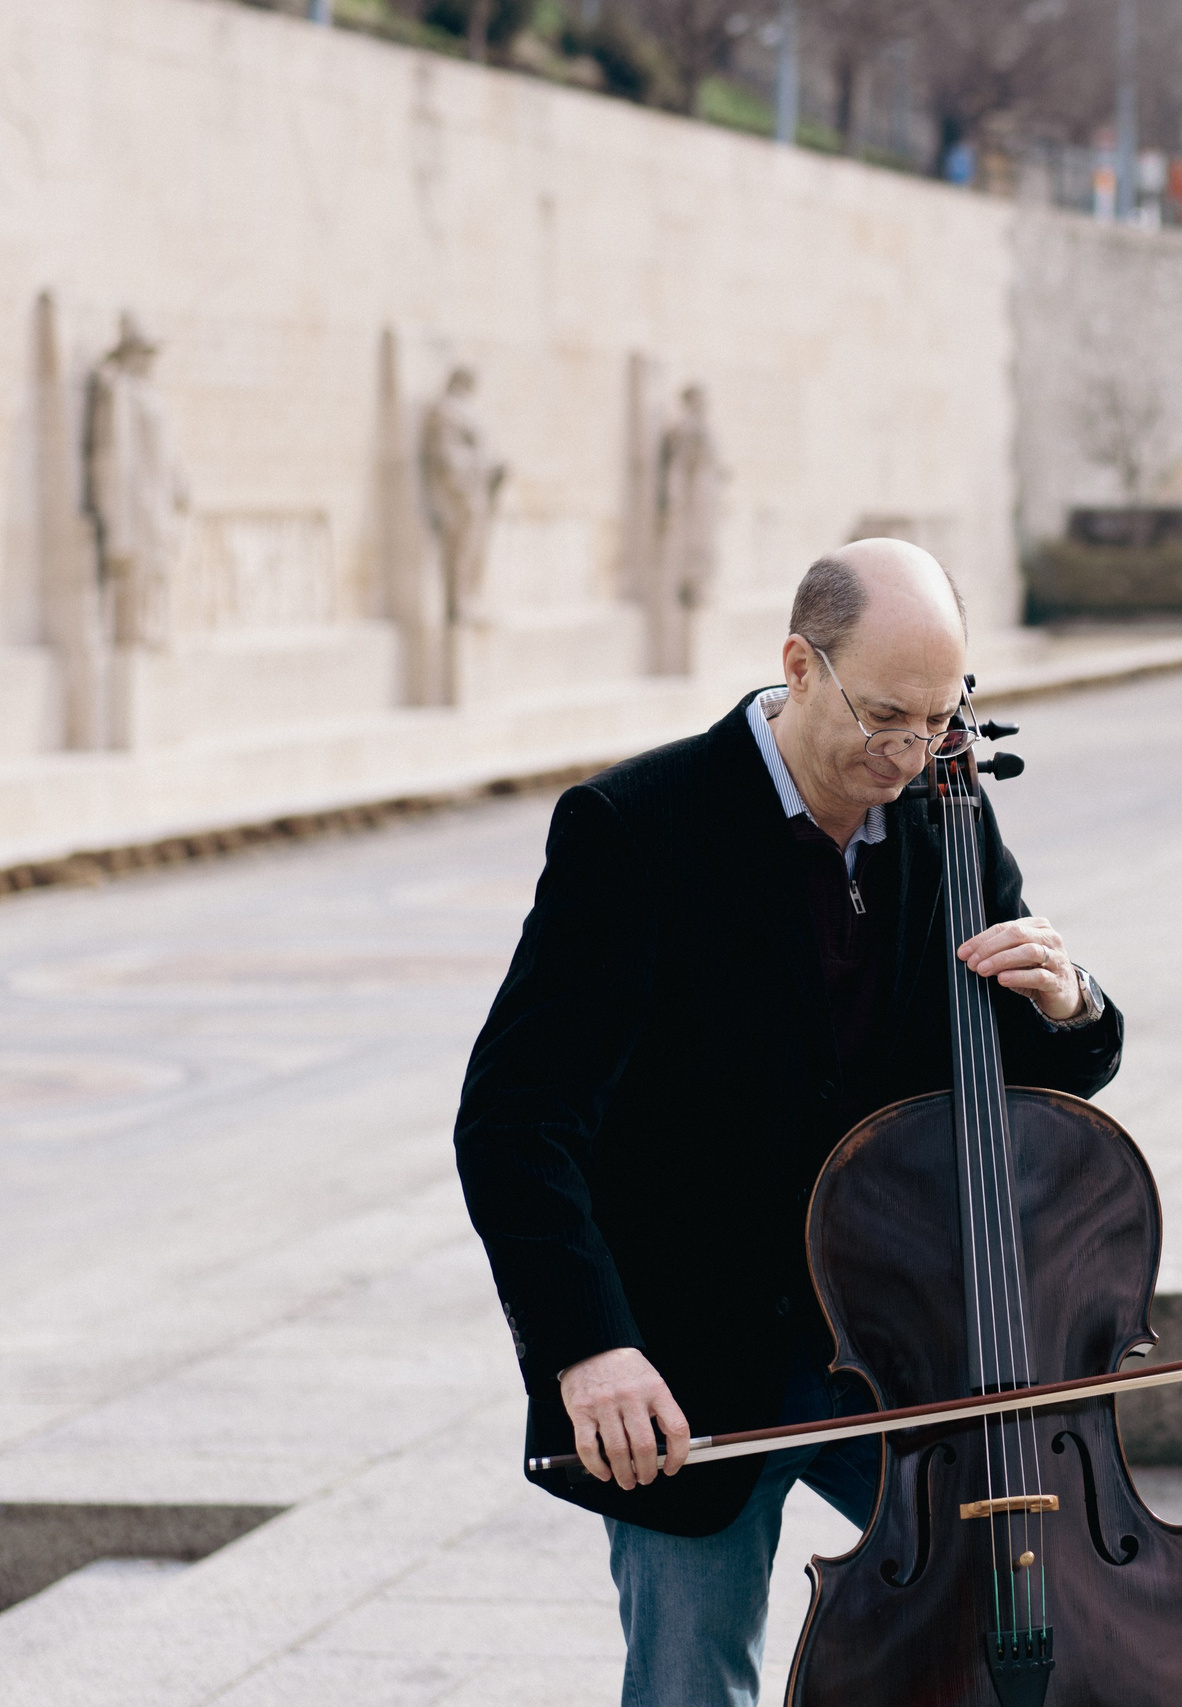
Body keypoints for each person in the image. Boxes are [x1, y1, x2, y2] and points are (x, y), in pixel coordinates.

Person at [454, 539, 1123, 1707]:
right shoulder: (636, 827)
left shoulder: (946, 810)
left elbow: (1019, 1066)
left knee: (1017, 1625)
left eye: (939, 718)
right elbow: (515, 1122)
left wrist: (1071, 1005)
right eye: (885, 716)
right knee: (690, 1685)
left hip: (901, 1344)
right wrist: (587, 1346)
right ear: (801, 666)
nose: (912, 752)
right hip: (691, 1359)